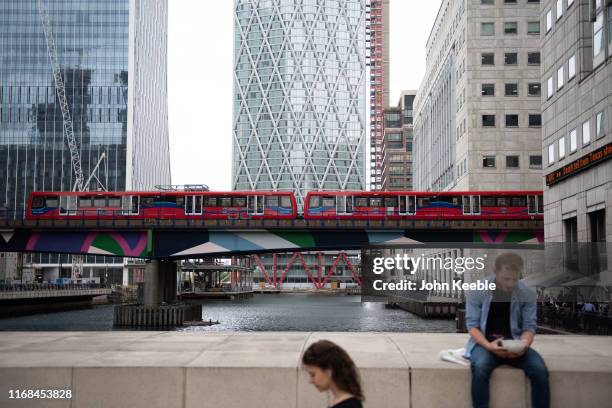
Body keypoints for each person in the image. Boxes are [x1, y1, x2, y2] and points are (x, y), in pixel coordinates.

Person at [464, 253, 550, 408]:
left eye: (515, 279)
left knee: (539, 370)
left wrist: (523, 345)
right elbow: (472, 326)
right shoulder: (477, 289)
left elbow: (529, 327)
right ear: (495, 271)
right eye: (506, 279)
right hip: (485, 344)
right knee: (481, 368)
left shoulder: (527, 293)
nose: (510, 284)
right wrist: (489, 346)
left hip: (516, 343)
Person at [302, 340, 364, 408]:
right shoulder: (346, 402)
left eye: (313, 374)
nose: (310, 381)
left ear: (329, 371)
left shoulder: (349, 405)